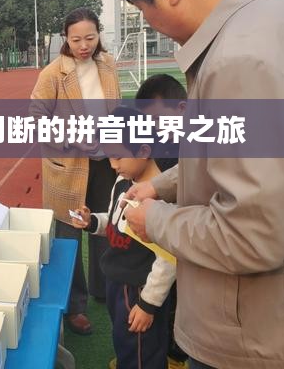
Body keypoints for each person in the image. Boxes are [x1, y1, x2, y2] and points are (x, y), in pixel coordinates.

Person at [115, 0, 284, 369]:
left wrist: (155, 219)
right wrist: (161, 185)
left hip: (254, 336)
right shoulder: (281, 16)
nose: (150, 24)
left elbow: (253, 234)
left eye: (143, 9)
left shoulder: (240, 59)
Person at [30, 7, 121, 335]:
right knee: (69, 237)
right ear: (65, 39)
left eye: (90, 38)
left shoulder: (107, 65)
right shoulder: (53, 74)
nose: (84, 45)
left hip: (106, 164)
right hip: (68, 168)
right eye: (76, 39)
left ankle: (103, 287)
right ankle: (75, 306)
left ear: (98, 36)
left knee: (104, 226)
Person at [72, 105, 176, 369]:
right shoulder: (123, 181)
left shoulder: (161, 197)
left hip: (139, 287)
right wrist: (92, 222)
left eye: (118, 156)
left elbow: (168, 259)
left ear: (143, 151)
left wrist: (148, 304)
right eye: (109, 156)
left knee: (142, 349)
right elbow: (115, 221)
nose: (113, 164)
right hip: (116, 281)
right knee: (125, 339)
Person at [135, 74, 188, 367]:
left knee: (182, 299)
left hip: (188, 239)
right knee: (169, 298)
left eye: (157, 121)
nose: (154, 129)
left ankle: (177, 355)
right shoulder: (162, 142)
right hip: (167, 236)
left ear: (181, 108)